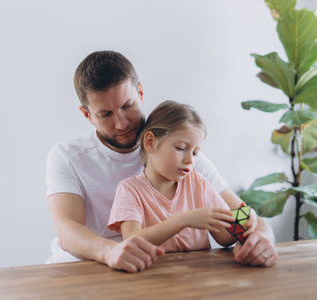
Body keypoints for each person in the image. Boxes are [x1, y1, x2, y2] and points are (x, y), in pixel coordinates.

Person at [45, 50, 277, 272]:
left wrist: (260, 238)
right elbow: (67, 230)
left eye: (128, 106)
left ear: (141, 94)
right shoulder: (68, 157)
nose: (122, 124)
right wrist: (111, 253)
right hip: (83, 267)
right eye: (106, 114)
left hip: (165, 269)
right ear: (87, 115)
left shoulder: (185, 160)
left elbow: (241, 215)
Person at [108, 100, 243, 257]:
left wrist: (246, 218)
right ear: (150, 142)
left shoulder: (197, 182)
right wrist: (184, 220)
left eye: (195, 153)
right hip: (152, 277)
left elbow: (224, 237)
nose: (190, 160)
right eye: (181, 148)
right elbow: (132, 240)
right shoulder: (130, 190)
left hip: (198, 274)